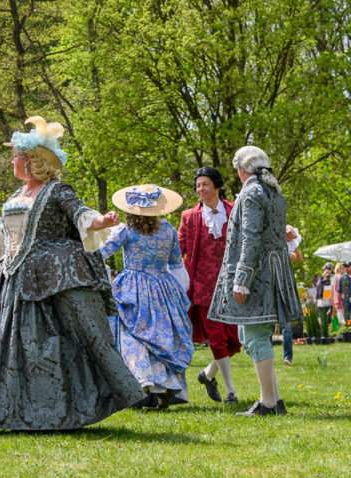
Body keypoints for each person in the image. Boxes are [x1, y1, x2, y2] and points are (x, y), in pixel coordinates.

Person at [0, 116, 142, 431]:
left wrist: (103, 221)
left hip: (48, 281)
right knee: (14, 348)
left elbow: (82, 215)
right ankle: (14, 413)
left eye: (16, 156)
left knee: (47, 346)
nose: (12, 161)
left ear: (32, 161)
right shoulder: (15, 198)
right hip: (13, 280)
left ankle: (54, 413)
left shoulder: (57, 190)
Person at [208, 146, 301, 416]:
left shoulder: (251, 193)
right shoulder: (273, 191)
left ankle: (269, 404)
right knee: (249, 335)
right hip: (274, 271)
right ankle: (275, 399)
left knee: (254, 335)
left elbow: (250, 237)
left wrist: (242, 279)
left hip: (258, 274)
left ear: (240, 169)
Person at [99, 185, 193, 410]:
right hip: (163, 288)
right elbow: (176, 263)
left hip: (132, 286)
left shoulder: (126, 230)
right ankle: (163, 392)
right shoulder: (168, 229)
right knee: (162, 335)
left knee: (134, 335)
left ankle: (140, 386)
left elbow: (101, 252)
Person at [177, 166, 242, 404]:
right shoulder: (189, 216)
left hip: (232, 284)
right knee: (217, 339)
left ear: (216, 186)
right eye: (197, 185)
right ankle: (231, 392)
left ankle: (207, 374)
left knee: (234, 341)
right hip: (203, 287)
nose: (200, 189)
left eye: (204, 184)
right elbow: (178, 248)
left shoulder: (235, 210)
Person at [281, 226, 304, 366]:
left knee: (287, 325)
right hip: (271, 289)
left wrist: (294, 244)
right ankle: (264, 357)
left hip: (285, 290)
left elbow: (299, 259)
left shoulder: (286, 252)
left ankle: (287, 357)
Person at [311, 263, 335, 332]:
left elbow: (317, 295)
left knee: (321, 320)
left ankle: (322, 333)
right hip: (326, 304)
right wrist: (333, 307)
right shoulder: (328, 284)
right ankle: (326, 333)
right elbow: (329, 297)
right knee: (327, 321)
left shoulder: (319, 283)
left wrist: (315, 305)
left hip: (319, 304)